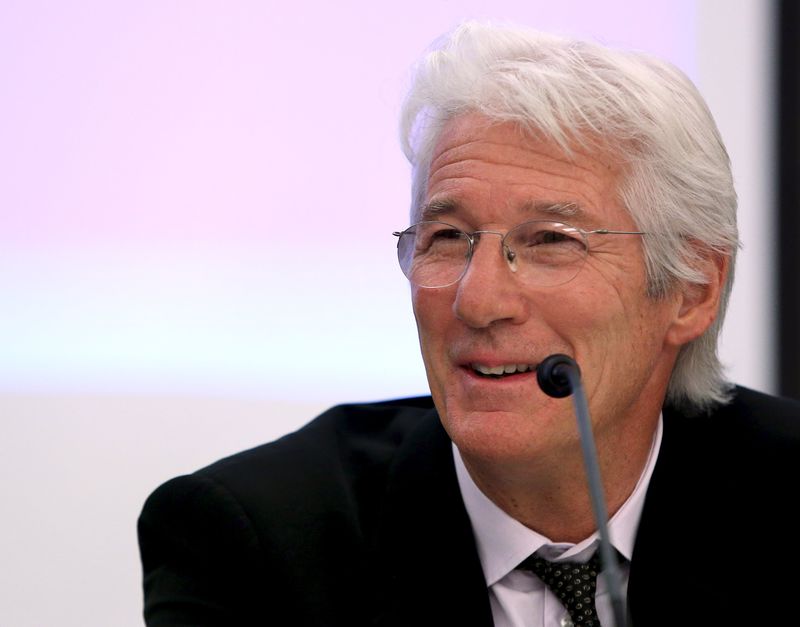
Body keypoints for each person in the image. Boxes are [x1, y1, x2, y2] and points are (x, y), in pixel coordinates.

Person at [138, 21, 800, 626]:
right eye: (448, 237)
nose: (477, 300)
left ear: (690, 290)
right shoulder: (250, 545)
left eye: (551, 241)